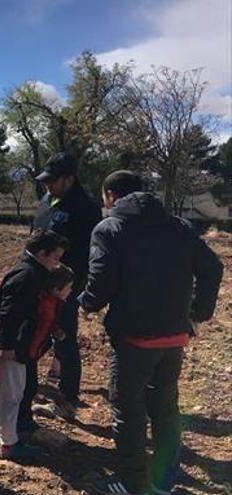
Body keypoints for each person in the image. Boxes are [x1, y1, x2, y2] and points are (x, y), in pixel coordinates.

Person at [79, 170, 222, 495]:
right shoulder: (180, 227)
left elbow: (99, 281)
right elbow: (213, 267)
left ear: (111, 195)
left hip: (134, 339)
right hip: (174, 336)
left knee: (127, 408)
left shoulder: (110, 229)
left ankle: (130, 483)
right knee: (165, 407)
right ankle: (162, 482)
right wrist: (198, 312)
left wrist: (87, 302)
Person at [32, 153, 102, 412]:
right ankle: (29, 385)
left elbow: (86, 253)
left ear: (69, 179)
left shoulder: (86, 208)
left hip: (64, 286)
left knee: (65, 336)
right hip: (37, 279)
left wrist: (69, 285)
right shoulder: (46, 200)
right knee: (35, 330)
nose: (47, 185)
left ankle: (68, 397)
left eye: (53, 180)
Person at [0, 230, 68, 461]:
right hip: (12, 349)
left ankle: (11, 436)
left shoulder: (33, 272)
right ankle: (9, 444)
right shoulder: (26, 276)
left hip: (21, 348)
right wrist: (7, 345)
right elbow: (7, 313)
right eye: (55, 256)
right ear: (42, 253)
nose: (57, 262)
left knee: (15, 393)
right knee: (9, 396)